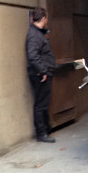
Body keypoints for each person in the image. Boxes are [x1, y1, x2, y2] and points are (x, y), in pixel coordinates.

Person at [25, 7, 56, 143]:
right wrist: (43, 71)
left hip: (42, 72)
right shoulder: (34, 35)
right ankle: (41, 133)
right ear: (43, 18)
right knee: (40, 104)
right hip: (40, 74)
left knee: (43, 103)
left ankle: (46, 128)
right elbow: (33, 56)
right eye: (46, 18)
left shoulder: (37, 33)